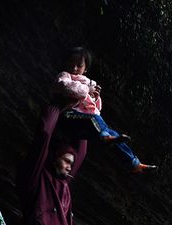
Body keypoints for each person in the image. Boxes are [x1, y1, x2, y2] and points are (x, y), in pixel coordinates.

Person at [53, 46, 158, 174]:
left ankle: (134, 163)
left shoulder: (88, 82)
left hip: (82, 122)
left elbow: (96, 110)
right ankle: (105, 137)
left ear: (85, 69)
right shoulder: (65, 76)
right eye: (71, 64)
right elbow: (64, 87)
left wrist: (95, 98)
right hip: (68, 116)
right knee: (96, 122)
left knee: (113, 133)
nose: (74, 68)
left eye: (79, 66)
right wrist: (87, 90)